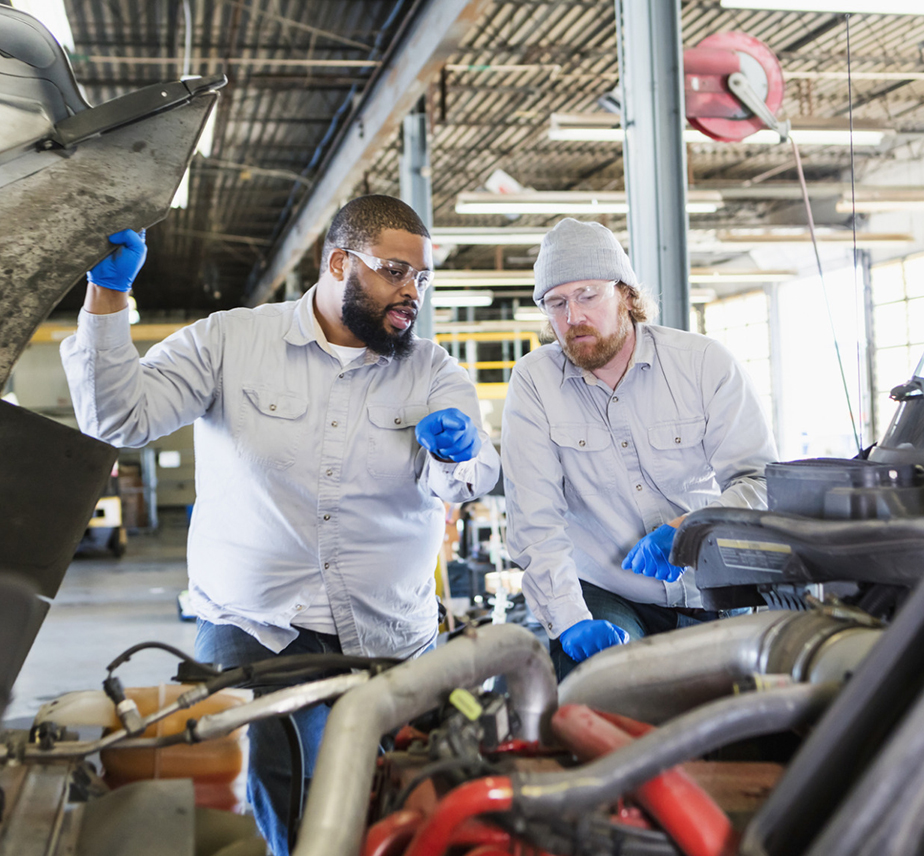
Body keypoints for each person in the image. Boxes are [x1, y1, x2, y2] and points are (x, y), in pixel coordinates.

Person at [61, 195, 500, 854]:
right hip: (256, 625)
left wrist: (459, 452)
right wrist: (106, 297)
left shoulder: (430, 370)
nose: (412, 292)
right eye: (394, 271)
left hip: (388, 629)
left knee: (404, 794)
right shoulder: (231, 341)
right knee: (287, 795)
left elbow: (465, 481)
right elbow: (118, 418)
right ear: (339, 263)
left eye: (421, 278)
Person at [501, 218, 777, 680]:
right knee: (596, 696)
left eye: (588, 295)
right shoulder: (534, 382)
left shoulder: (704, 364)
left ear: (626, 295)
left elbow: (762, 481)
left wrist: (692, 528)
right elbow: (535, 522)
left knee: (737, 718)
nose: (572, 318)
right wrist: (570, 621)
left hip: (713, 585)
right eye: (556, 303)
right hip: (609, 592)